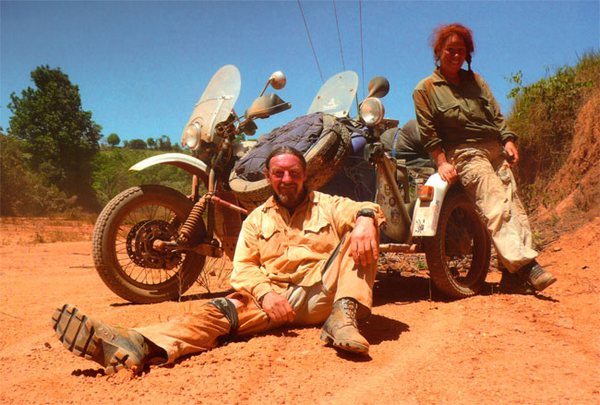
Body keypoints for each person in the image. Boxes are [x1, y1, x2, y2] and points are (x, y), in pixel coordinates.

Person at [52, 146, 386, 374]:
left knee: (361, 232)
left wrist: (366, 218)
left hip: (323, 294)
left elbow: (365, 209)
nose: (286, 180)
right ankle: (139, 343)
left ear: (305, 175)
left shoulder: (328, 204)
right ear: (269, 177)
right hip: (273, 301)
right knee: (217, 312)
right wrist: (267, 295)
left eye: (293, 173)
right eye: (278, 173)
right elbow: (243, 270)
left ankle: (343, 320)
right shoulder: (256, 219)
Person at [412, 23, 556, 293]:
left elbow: (496, 115)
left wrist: (508, 140)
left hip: (493, 148)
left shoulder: (476, 81)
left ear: (467, 54)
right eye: (450, 49)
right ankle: (526, 266)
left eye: (461, 50)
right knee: (495, 203)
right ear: (439, 52)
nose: (455, 55)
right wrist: (442, 162)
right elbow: (429, 132)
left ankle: (512, 276)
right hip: (464, 153)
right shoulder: (425, 89)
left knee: (515, 207)